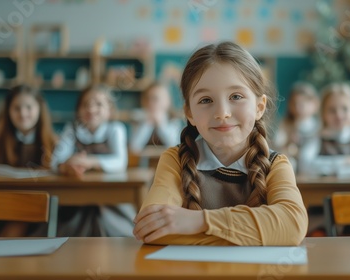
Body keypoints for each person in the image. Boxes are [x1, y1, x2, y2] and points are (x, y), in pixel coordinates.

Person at [132, 42, 308, 245]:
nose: (222, 113)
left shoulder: (275, 164)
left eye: (236, 96)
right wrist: (261, 233)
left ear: (259, 107)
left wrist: (199, 222)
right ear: (189, 113)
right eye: (206, 100)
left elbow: (292, 226)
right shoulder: (175, 160)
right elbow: (153, 229)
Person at [51, 84, 134, 236]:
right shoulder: (72, 129)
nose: (91, 109)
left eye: (98, 104)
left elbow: (120, 162)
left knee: (112, 224)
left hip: (111, 196)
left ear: (109, 111)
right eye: (85, 104)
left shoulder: (115, 128)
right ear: (78, 110)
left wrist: (89, 161)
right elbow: (55, 161)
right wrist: (67, 166)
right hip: (79, 196)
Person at [0, 84, 56, 237]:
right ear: (8, 111)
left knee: (16, 225)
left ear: (39, 109)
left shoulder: (53, 143)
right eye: (16, 108)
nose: (23, 113)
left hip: (35, 206)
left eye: (29, 107)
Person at [274, 82, 319, 171]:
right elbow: (277, 145)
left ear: (314, 104)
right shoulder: (286, 124)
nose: (298, 108)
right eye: (294, 103)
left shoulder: (318, 126)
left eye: (302, 104)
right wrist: (288, 142)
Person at [130, 81, 182, 152]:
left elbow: (175, 146)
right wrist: (147, 123)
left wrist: (161, 124)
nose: (150, 102)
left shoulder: (173, 119)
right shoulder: (138, 117)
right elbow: (134, 147)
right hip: (145, 161)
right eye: (147, 98)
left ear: (167, 101)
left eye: (155, 98)